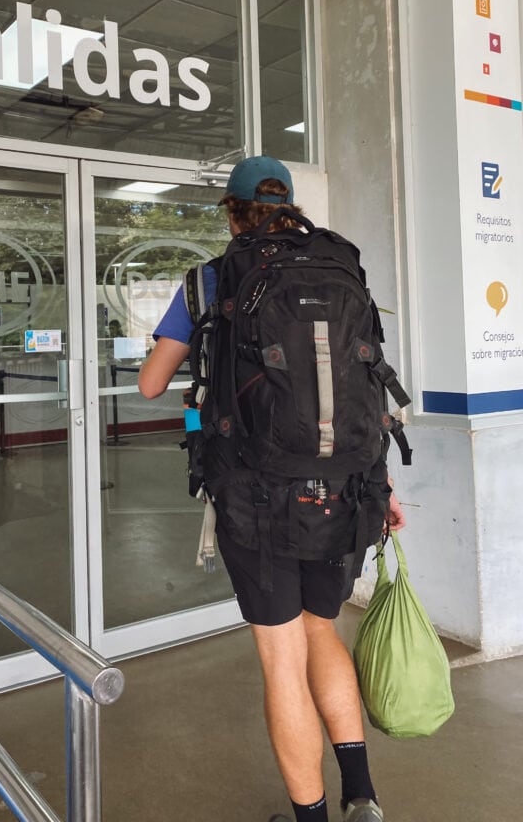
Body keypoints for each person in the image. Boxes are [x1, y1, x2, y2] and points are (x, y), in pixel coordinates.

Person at [138, 156, 405, 822]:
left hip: (258, 498)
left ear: (232, 212)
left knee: (282, 659)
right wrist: (383, 483)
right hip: (348, 487)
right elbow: (364, 384)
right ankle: (362, 798)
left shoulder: (210, 279)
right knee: (325, 634)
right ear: (290, 203)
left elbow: (149, 384)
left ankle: (310, 816)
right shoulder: (342, 263)